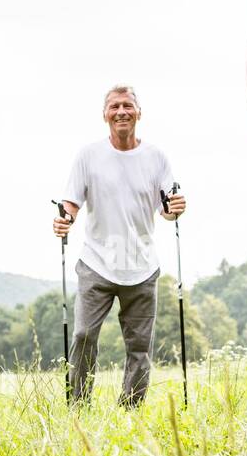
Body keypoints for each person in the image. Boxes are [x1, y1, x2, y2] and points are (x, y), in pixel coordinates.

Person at [52, 85, 187, 407]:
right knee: (84, 336)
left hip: (142, 267)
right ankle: (78, 409)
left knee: (139, 347)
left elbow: (168, 208)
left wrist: (176, 208)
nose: (121, 112)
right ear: (105, 115)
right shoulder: (89, 155)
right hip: (96, 264)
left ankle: (130, 411)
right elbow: (71, 201)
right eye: (114, 107)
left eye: (127, 105)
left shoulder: (156, 157)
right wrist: (65, 220)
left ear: (139, 112)